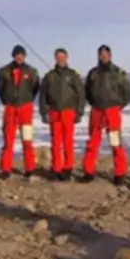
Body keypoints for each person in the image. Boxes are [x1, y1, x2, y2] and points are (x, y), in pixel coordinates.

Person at [81, 44, 130, 185]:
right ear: (98, 56)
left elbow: (127, 92)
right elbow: (87, 91)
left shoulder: (118, 73)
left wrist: (118, 105)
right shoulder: (93, 73)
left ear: (110, 55)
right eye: (101, 54)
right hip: (97, 110)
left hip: (112, 110)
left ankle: (120, 173)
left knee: (115, 142)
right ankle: (88, 171)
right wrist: (93, 103)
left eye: (106, 54)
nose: (103, 56)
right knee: (93, 141)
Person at [39, 47, 85, 181]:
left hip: (69, 112)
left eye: (63, 57)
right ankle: (56, 168)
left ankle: (68, 168)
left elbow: (81, 94)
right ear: (55, 58)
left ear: (67, 58)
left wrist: (79, 112)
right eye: (58, 57)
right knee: (55, 142)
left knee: (68, 142)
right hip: (54, 112)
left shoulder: (73, 75)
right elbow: (43, 95)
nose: (61, 59)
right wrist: (44, 112)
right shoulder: (50, 76)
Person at [0, 45, 41, 180]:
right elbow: (0, 87)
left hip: (25, 108)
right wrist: (6, 100)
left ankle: (29, 168)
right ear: (13, 56)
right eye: (17, 55)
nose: (19, 57)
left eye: (21, 55)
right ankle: (6, 168)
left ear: (25, 56)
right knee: (8, 139)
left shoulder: (31, 71)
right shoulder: (4, 71)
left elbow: (35, 87)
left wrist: (27, 99)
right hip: (10, 108)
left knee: (27, 139)